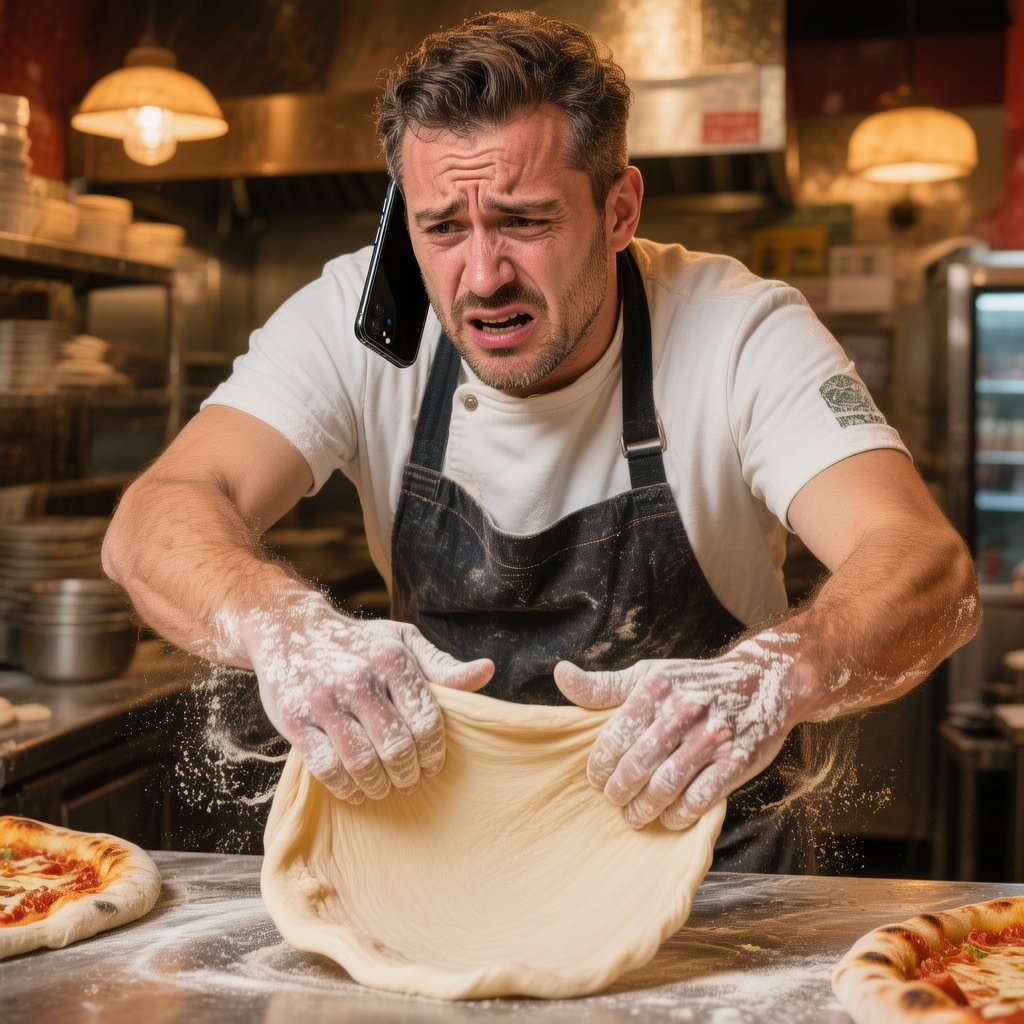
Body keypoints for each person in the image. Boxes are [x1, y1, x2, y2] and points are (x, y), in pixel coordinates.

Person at [102, 10, 979, 871]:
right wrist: (278, 623)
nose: (481, 278)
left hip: (712, 866)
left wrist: (784, 672)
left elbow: (922, 561)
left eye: (525, 221)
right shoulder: (357, 322)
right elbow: (156, 518)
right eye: (442, 228)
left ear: (620, 209)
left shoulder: (736, 333)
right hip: (454, 846)